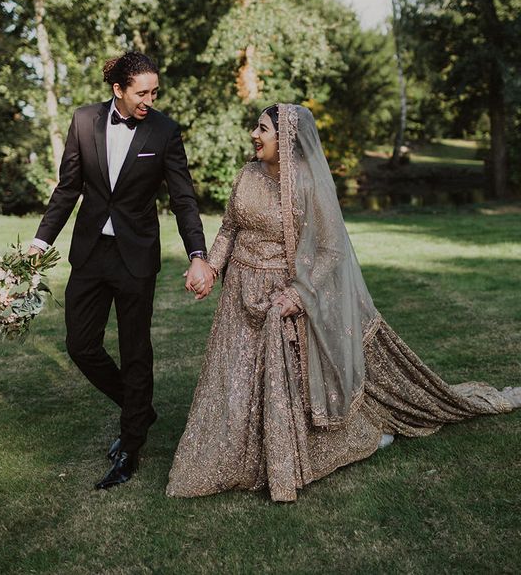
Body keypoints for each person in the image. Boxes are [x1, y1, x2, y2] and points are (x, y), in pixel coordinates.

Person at [167, 103, 521, 502]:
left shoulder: (307, 183)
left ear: (286, 139)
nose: (254, 134)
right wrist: (211, 268)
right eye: (256, 127)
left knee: (284, 389)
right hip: (238, 297)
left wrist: (298, 295)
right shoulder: (246, 174)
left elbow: (331, 249)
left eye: (262, 129)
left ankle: (334, 442)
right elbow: (229, 228)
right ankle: (228, 452)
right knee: (231, 380)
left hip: (280, 299)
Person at [29, 51, 215, 490]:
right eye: (142, 92)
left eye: (155, 92)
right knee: (80, 345)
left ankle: (132, 444)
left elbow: (183, 199)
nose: (150, 99)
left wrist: (197, 253)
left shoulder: (164, 131)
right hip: (91, 254)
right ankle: (140, 407)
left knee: (135, 352)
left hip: (136, 257)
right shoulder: (83, 121)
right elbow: (68, 187)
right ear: (118, 89)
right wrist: (40, 242)